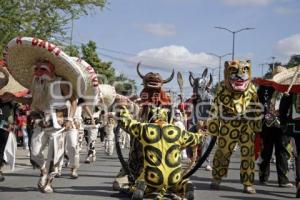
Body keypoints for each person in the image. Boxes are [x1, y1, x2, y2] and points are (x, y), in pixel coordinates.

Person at [117, 103, 203, 200]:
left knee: (139, 180)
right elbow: (197, 138)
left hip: (152, 177)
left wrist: (122, 107)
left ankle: (140, 187)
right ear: (167, 118)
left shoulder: (144, 129)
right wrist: (200, 131)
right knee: (179, 181)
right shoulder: (178, 131)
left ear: (150, 117)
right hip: (172, 178)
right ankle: (186, 185)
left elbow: (127, 122)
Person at [208, 60, 262, 194]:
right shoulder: (221, 89)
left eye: (244, 71)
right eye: (234, 71)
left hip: (246, 126)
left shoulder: (252, 88)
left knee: (248, 155)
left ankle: (247, 183)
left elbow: (257, 107)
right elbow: (214, 109)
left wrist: (257, 126)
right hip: (228, 126)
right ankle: (217, 177)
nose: (239, 75)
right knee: (222, 153)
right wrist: (214, 128)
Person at [257, 66, 293, 187]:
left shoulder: (290, 88)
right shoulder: (265, 87)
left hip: (282, 125)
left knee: (281, 152)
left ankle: (282, 180)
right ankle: (263, 177)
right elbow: (258, 103)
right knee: (266, 152)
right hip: (267, 124)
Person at [0, 63, 17, 182]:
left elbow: (10, 112)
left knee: (2, 147)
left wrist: (11, 123)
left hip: (4, 124)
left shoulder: (6, 96)